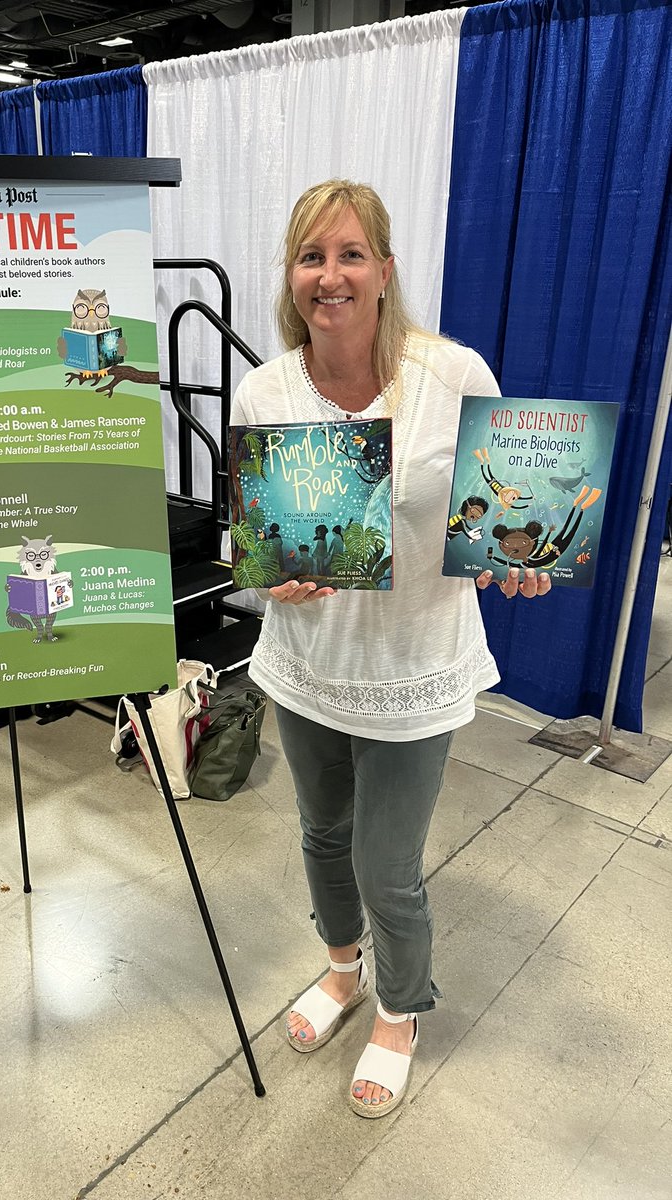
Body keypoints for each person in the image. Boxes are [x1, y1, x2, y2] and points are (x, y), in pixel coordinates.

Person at [230, 180, 551, 1119]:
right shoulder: (267, 390)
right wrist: (267, 579)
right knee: (321, 836)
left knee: (386, 864)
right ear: (292, 277)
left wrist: (518, 561)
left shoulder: (452, 375)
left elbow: (503, 513)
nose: (330, 276)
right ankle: (342, 970)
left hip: (413, 665)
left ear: (385, 268)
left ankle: (402, 1007)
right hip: (305, 662)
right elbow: (252, 550)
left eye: (350, 254)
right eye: (311, 258)